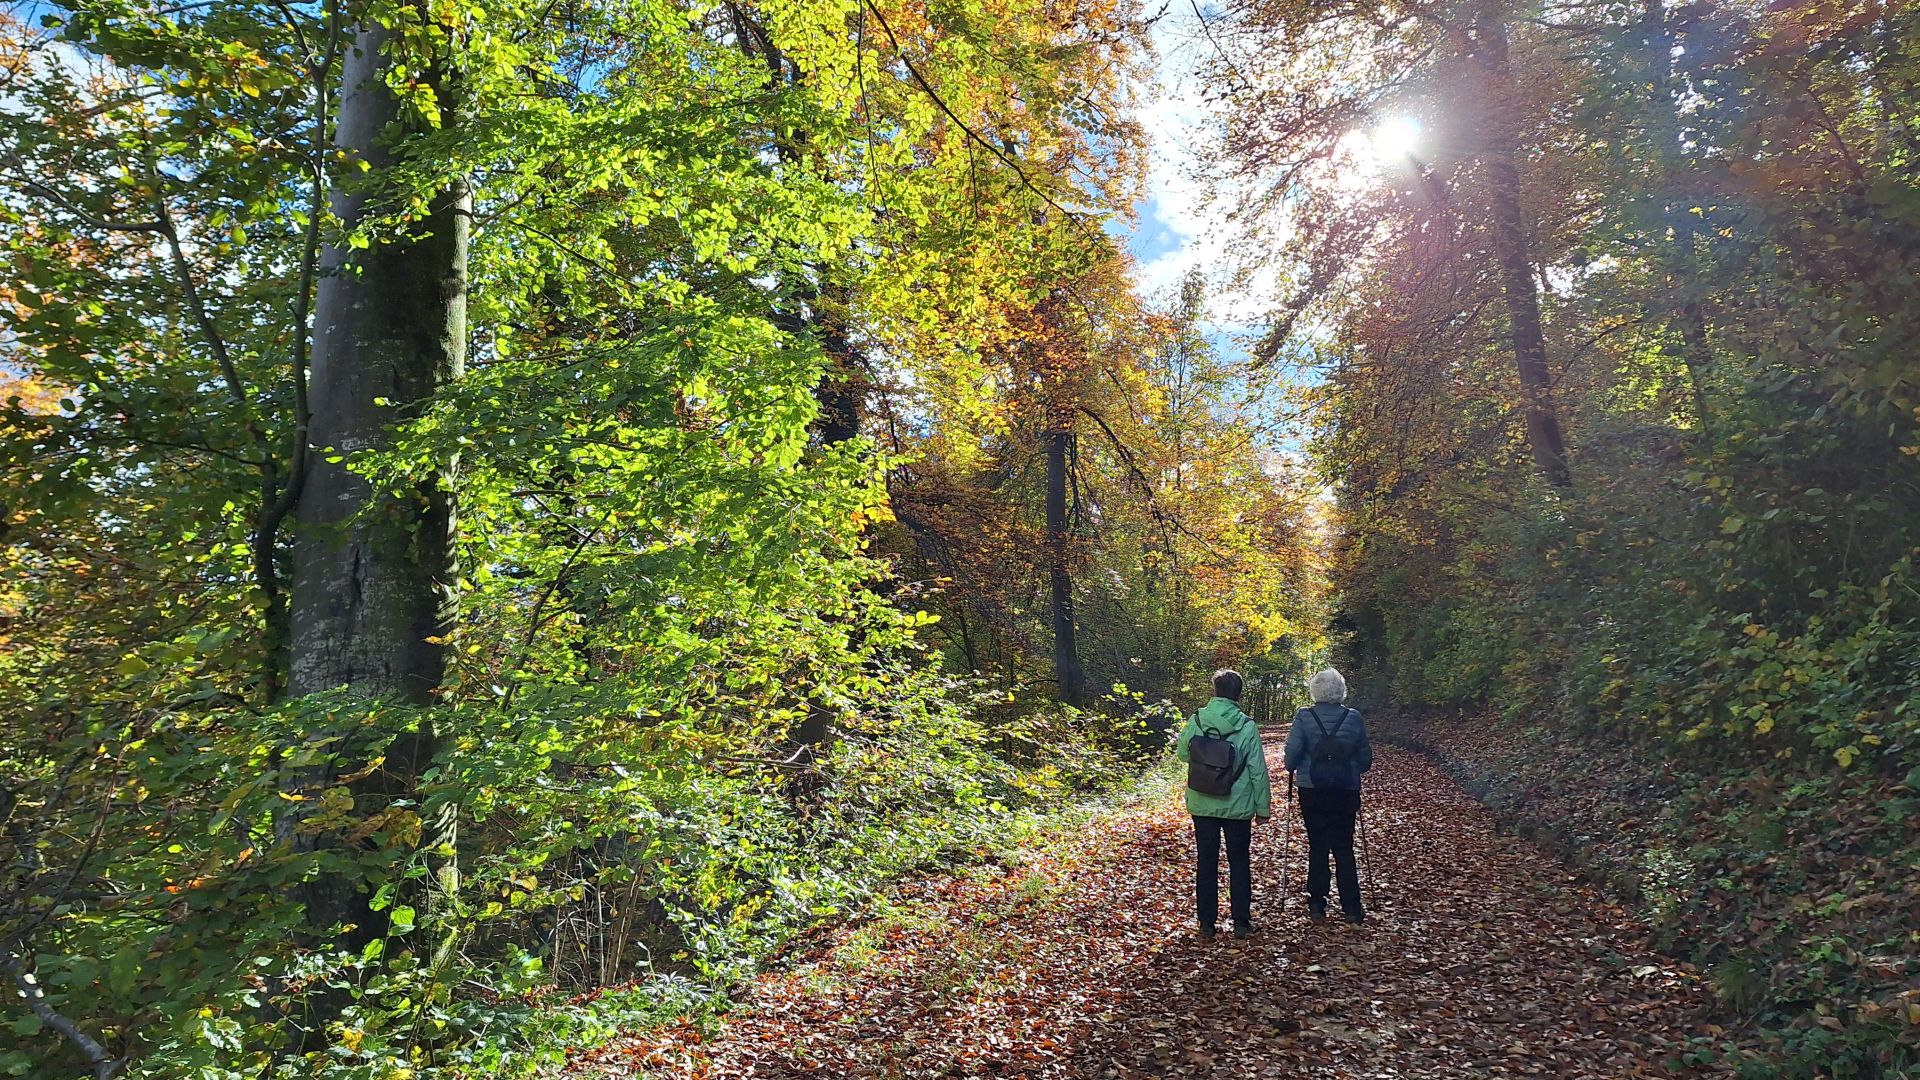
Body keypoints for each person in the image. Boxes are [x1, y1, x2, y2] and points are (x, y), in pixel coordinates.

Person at [1175, 668, 1272, 940]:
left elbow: (1183, 754)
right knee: (1239, 862)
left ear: (1215, 691)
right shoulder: (1247, 726)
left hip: (1202, 802)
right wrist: (1263, 808)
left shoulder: (1197, 719)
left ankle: (1206, 924)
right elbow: (1257, 770)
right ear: (1238, 694)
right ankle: (1241, 922)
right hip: (1237, 805)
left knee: (1206, 861)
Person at [1283, 667, 1373, 923]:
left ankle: (1317, 904)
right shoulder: (1354, 718)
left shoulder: (1304, 717)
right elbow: (1365, 759)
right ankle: (1352, 908)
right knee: (1344, 846)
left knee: (1318, 845)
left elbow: (1291, 757)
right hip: (1345, 790)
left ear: (1315, 690)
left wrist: (1295, 764)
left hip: (1312, 789)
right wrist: (1350, 767)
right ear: (1341, 691)